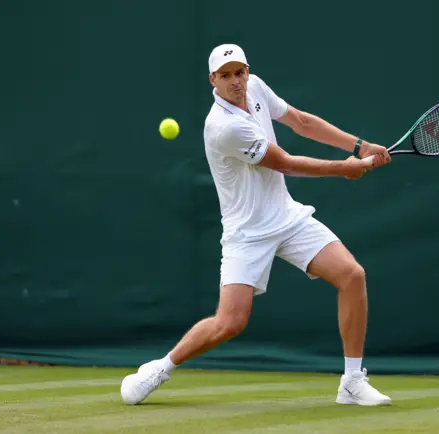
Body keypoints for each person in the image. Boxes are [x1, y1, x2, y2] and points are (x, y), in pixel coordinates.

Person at [121, 43, 393, 407]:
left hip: (286, 216)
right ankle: (161, 367)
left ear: (247, 71)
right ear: (212, 80)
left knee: (352, 275)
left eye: (240, 72)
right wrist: (343, 168)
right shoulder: (223, 127)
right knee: (230, 322)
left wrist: (359, 146)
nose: (236, 81)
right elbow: (284, 163)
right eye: (226, 75)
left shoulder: (257, 88)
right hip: (246, 233)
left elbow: (301, 122)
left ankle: (352, 381)